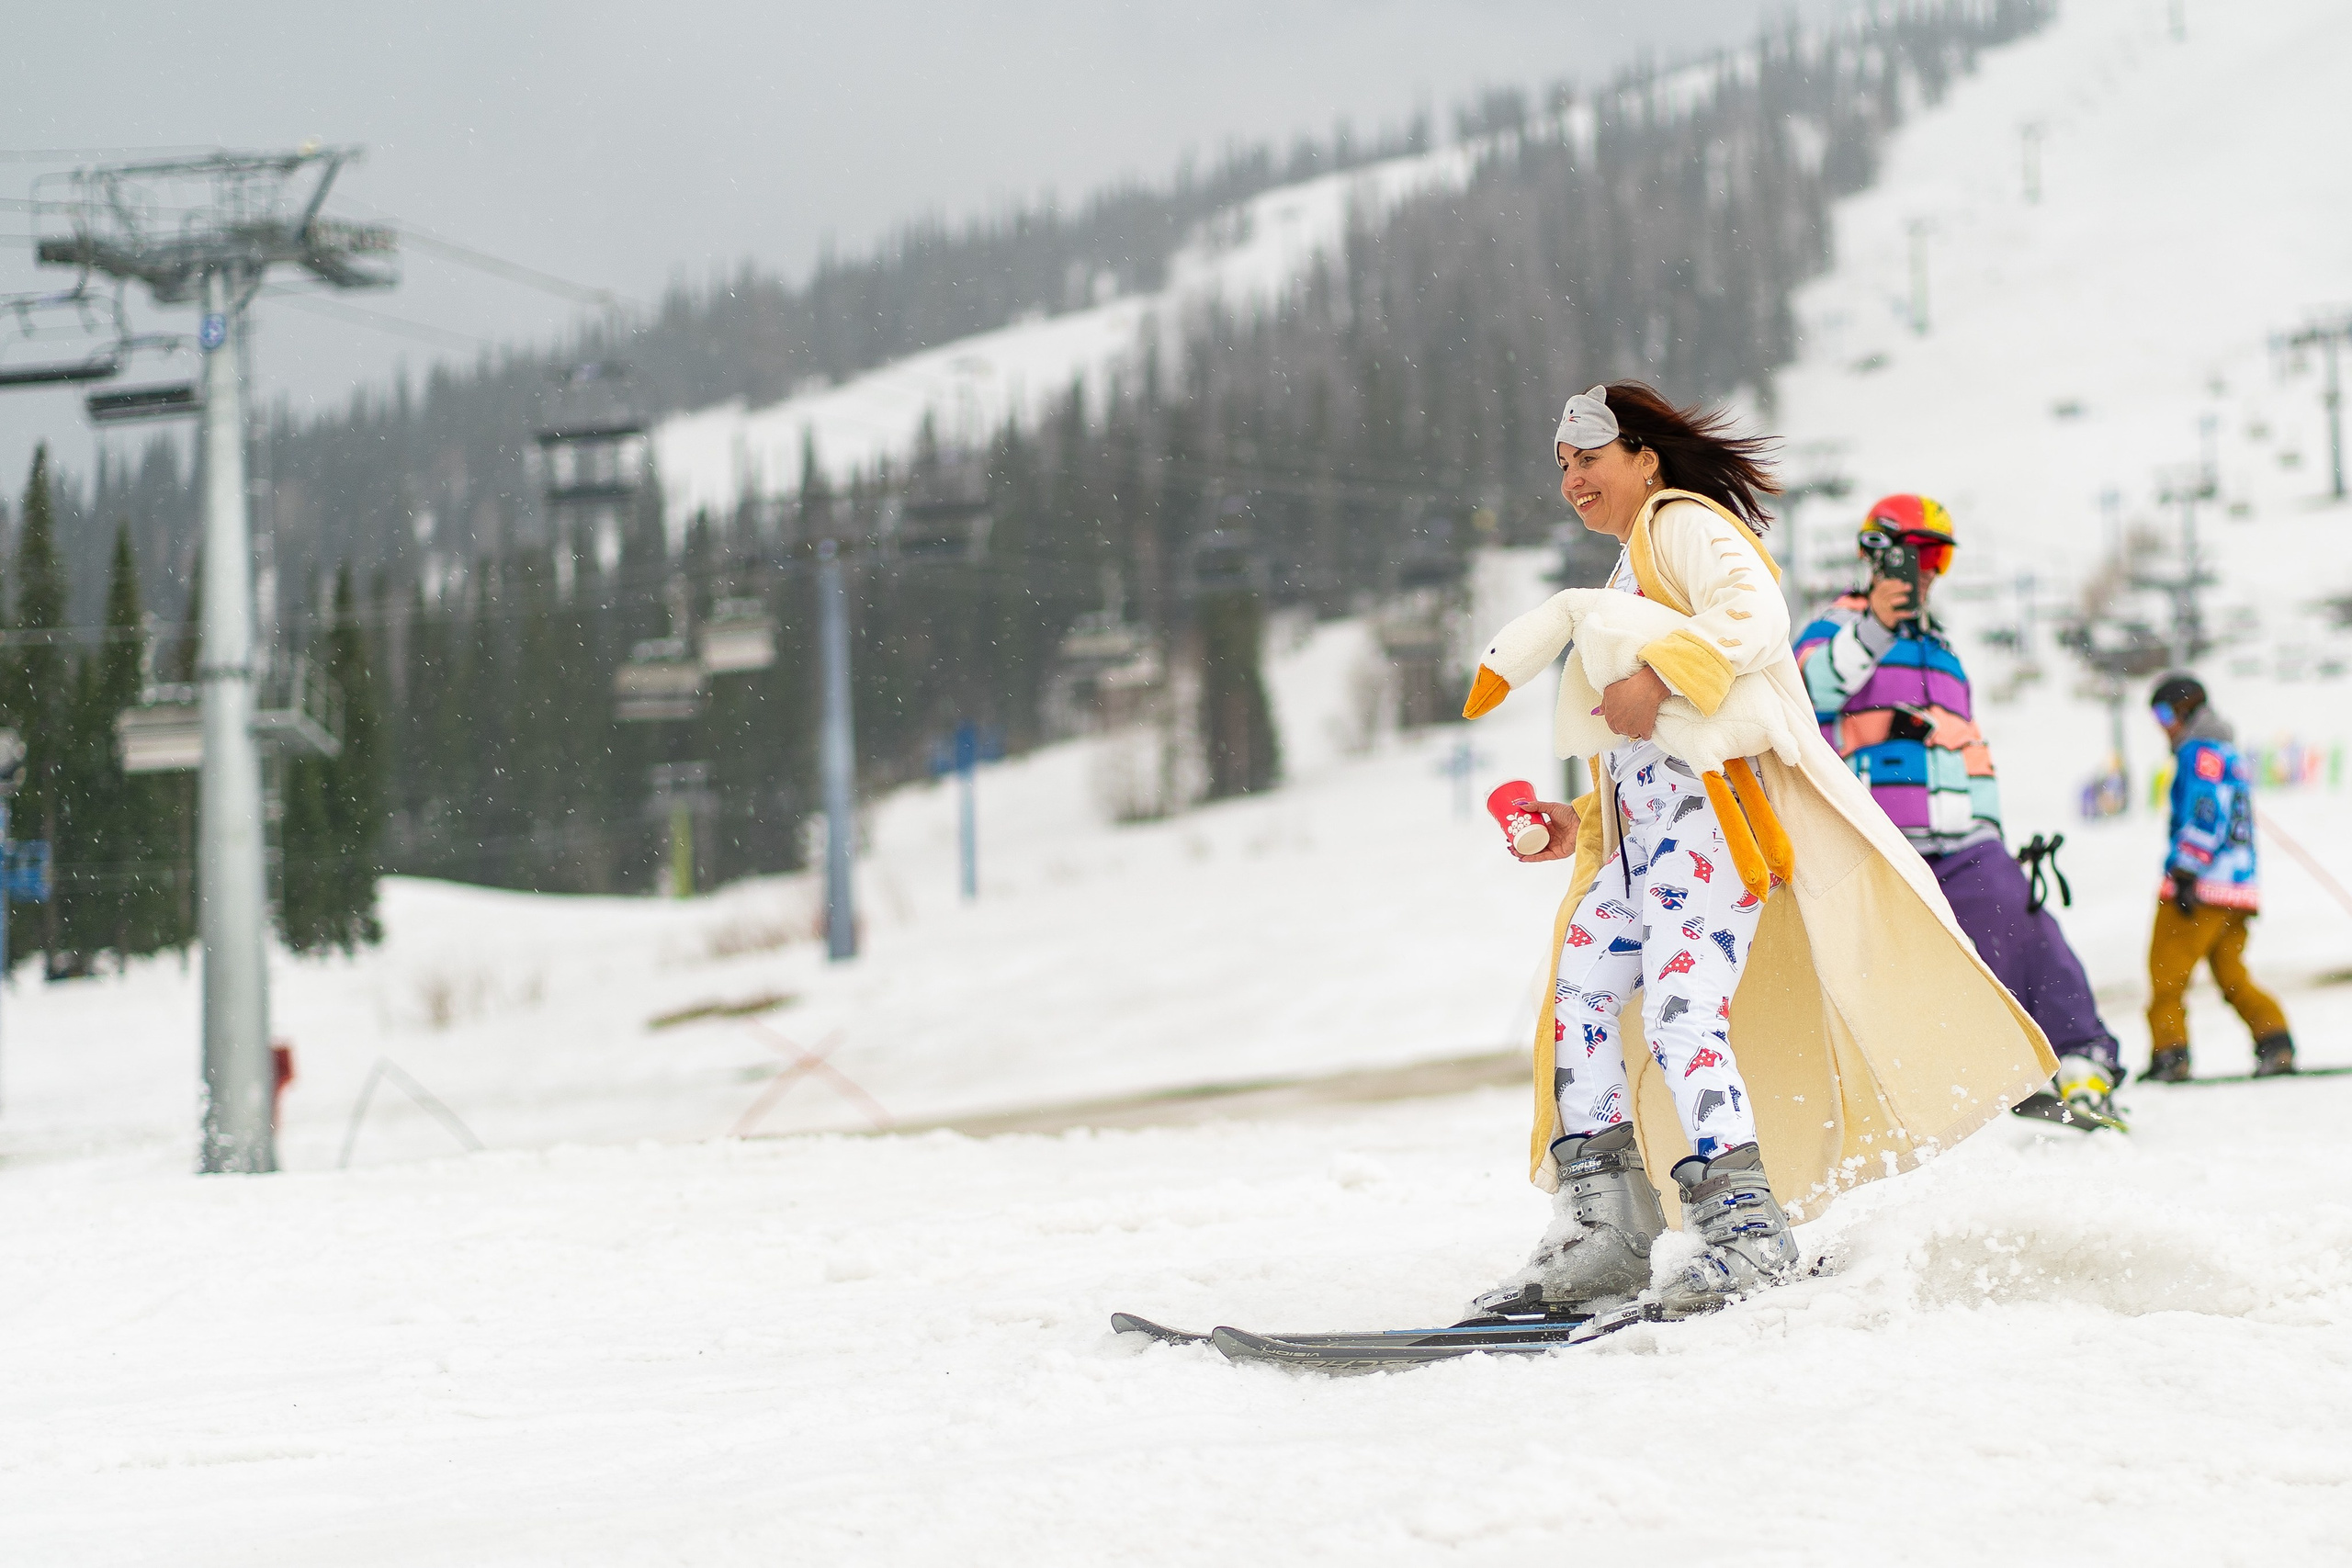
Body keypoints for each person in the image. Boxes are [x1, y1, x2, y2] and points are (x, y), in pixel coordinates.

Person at [1464, 386, 2055, 1322]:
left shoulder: (1683, 524)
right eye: (1562, 464)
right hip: (1638, 849)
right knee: (1576, 998)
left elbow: (1753, 617)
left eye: (1590, 456)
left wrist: (1655, 681)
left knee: (1681, 1016)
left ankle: (1743, 1227)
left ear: (1646, 459)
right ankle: (1604, 1225)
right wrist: (1579, 821)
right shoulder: (1626, 573)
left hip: (1709, 842)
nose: (1572, 477)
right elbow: (1647, 753)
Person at [1791, 495, 2128, 1128]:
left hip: (1962, 836)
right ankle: (1924, 1091)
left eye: (1937, 555)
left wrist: (1992, 831)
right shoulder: (1834, 627)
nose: (1925, 569)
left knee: (2025, 930)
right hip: (1880, 837)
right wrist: (1876, 630)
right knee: (1893, 971)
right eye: (1913, 552)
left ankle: (2077, 1062)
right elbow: (1810, 691)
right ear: (1875, 554)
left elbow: (1969, 744)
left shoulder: (1942, 650)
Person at [2143, 673, 2295, 1080]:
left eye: (2162, 713)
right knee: (2231, 973)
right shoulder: (2228, 753)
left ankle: (2170, 1053)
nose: (2160, 724)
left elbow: (2207, 813)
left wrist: (2187, 869)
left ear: (2185, 708)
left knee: (2165, 972)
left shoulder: (2199, 753)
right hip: (2239, 887)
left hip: (2203, 885)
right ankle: (2274, 1040)